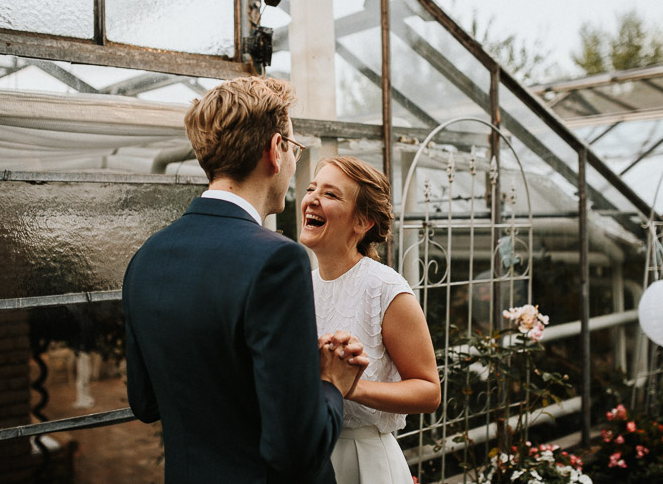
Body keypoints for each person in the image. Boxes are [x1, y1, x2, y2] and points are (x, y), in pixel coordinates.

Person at [123, 76, 368, 484]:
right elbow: (296, 453)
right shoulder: (277, 260)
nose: (293, 163)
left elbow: (145, 402)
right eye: (293, 148)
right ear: (276, 150)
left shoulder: (148, 256)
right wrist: (331, 384)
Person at [300, 156, 441, 484]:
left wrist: (352, 387)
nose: (312, 199)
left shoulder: (385, 288)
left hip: (366, 461)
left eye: (331, 194)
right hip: (309, 456)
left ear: (362, 222)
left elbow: (429, 391)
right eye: (311, 188)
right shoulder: (299, 286)